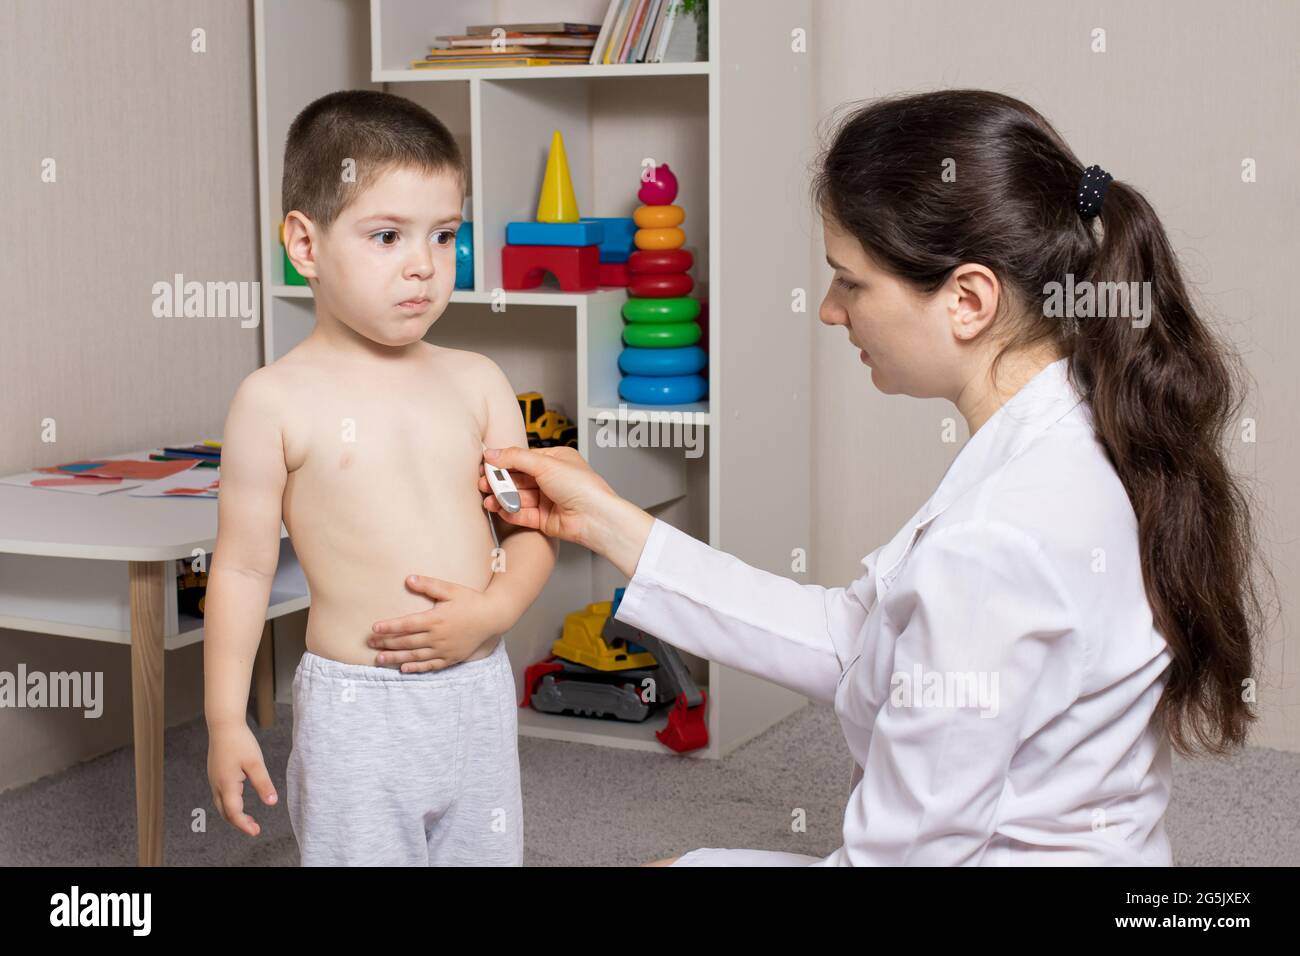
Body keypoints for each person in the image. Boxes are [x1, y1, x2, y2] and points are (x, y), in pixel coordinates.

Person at [372, 89, 1269, 866]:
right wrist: (607, 521)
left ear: (968, 299)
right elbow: (857, 638)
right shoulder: (1074, 426)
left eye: (850, 282)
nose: (832, 311)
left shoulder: (1001, 540)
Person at [203, 90, 556, 866]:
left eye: (444, 235)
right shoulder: (274, 401)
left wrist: (492, 609)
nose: (424, 265)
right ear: (305, 244)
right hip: (358, 712)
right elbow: (242, 565)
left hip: (476, 693)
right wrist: (227, 718)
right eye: (388, 235)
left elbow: (529, 528)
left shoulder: (479, 381)